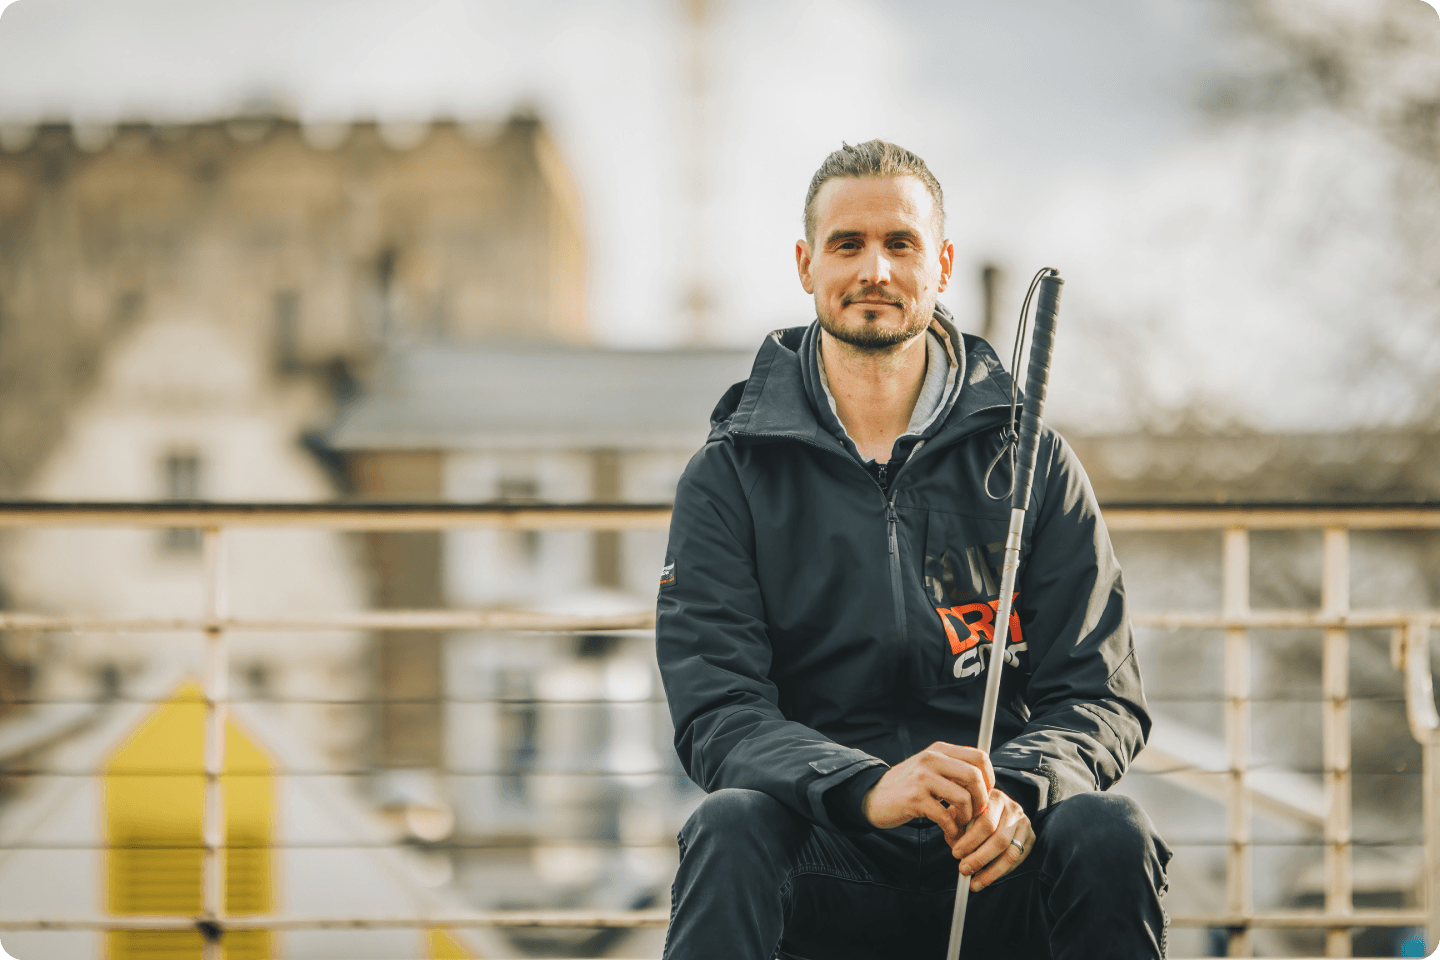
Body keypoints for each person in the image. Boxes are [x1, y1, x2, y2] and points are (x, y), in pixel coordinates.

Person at [654, 141, 1171, 960]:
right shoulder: (730, 475)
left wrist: (1018, 792)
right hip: (828, 847)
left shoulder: (1032, 463)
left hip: (997, 851)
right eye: (847, 244)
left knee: (1108, 829)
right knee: (729, 826)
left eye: (901, 244)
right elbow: (719, 712)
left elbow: (1103, 698)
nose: (875, 270)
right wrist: (864, 787)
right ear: (805, 264)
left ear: (943, 265)